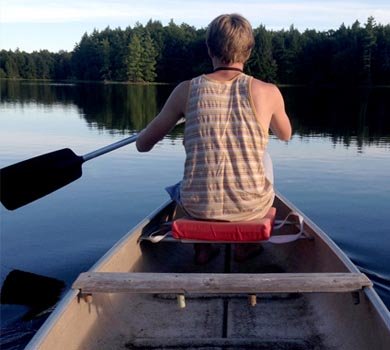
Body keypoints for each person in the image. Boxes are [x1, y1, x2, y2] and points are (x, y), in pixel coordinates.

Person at [136, 14, 292, 264]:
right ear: (249, 51)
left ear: (209, 49)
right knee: (264, 157)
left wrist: (145, 133)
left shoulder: (185, 91)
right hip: (251, 208)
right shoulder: (268, 92)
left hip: (197, 207)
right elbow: (286, 134)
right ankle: (244, 247)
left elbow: (142, 145)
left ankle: (203, 248)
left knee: (186, 182)